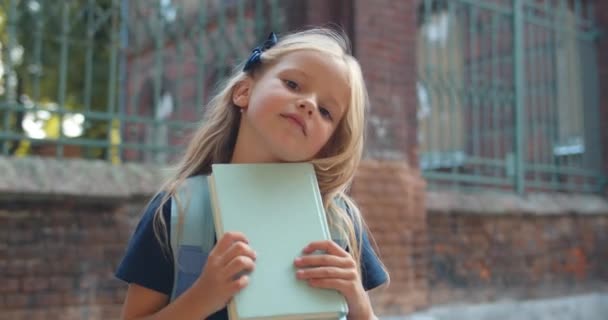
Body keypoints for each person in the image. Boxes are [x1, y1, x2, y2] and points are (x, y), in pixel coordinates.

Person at [115, 27, 389, 320]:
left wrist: (359, 303)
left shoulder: (338, 221)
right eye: (293, 84)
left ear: (328, 143)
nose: (309, 104)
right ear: (244, 91)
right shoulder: (176, 210)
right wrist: (202, 297)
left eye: (325, 111)